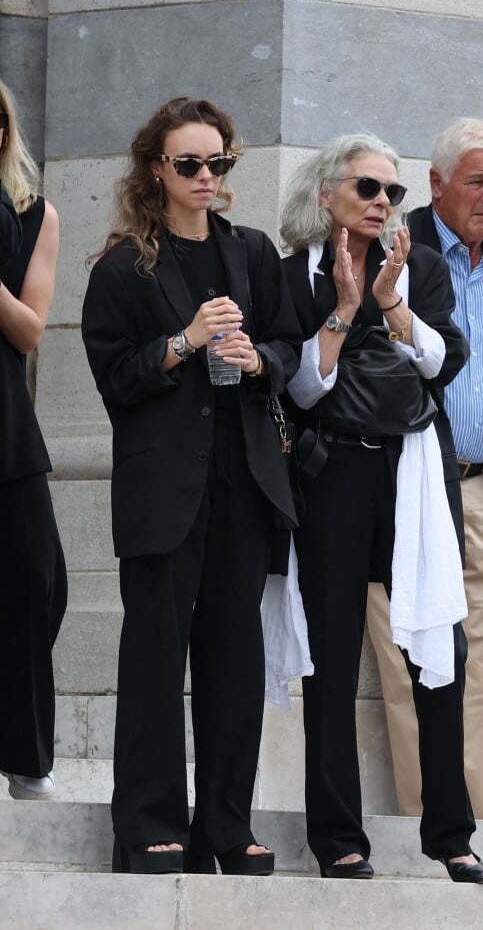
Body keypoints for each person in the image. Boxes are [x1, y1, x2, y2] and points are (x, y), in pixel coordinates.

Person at [82, 97, 302, 876]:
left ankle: (225, 824)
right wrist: (183, 341)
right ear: (156, 170)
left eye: (218, 163)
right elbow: (114, 375)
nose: (206, 177)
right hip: (163, 489)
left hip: (242, 478)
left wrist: (259, 360)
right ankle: (148, 823)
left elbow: (286, 340)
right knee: (153, 656)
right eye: (190, 164)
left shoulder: (251, 252)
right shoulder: (121, 268)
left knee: (234, 657)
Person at [279, 132, 483, 883]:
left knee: (442, 647)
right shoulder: (292, 277)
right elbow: (300, 390)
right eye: (367, 187)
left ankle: (452, 834)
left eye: (392, 192)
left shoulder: (421, 269)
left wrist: (390, 302)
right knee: (331, 659)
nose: (381, 202)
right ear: (326, 193)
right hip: (332, 473)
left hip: (412, 469)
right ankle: (338, 837)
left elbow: (443, 361)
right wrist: (340, 310)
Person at [367, 117, 483, 820]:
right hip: (408, 485)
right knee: (412, 663)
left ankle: (482, 828)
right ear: (435, 184)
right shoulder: (390, 245)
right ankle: (432, 827)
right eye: (476, 181)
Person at [0, 77, 67, 800]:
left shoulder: (33, 215)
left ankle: (23, 753)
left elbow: (29, 328)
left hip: (7, 419)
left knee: (39, 579)